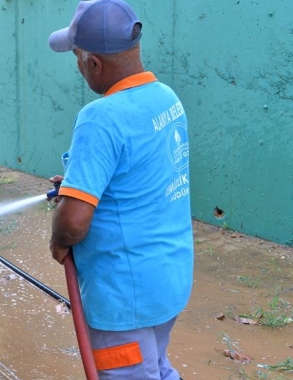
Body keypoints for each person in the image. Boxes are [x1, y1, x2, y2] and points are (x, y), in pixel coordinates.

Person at [47, 1, 193, 379]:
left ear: (93, 63)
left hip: (123, 298)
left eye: (78, 58)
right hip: (168, 281)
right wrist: (81, 184)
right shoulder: (166, 99)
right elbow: (142, 173)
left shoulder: (100, 118)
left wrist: (60, 235)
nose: (78, 67)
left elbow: (75, 223)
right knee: (158, 367)